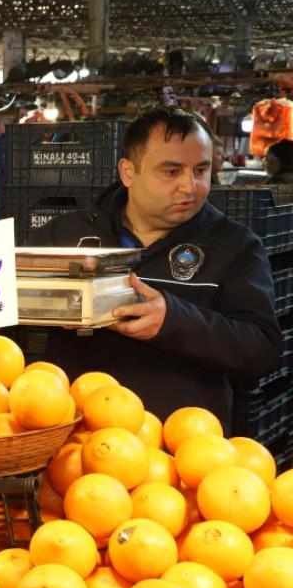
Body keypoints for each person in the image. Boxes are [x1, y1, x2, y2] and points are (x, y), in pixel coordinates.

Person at [28, 106, 281, 428]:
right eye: (171, 171)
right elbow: (8, 319)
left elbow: (262, 350)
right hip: (75, 440)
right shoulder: (63, 235)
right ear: (128, 172)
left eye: (201, 171)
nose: (190, 187)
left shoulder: (235, 246)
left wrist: (175, 320)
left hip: (182, 450)